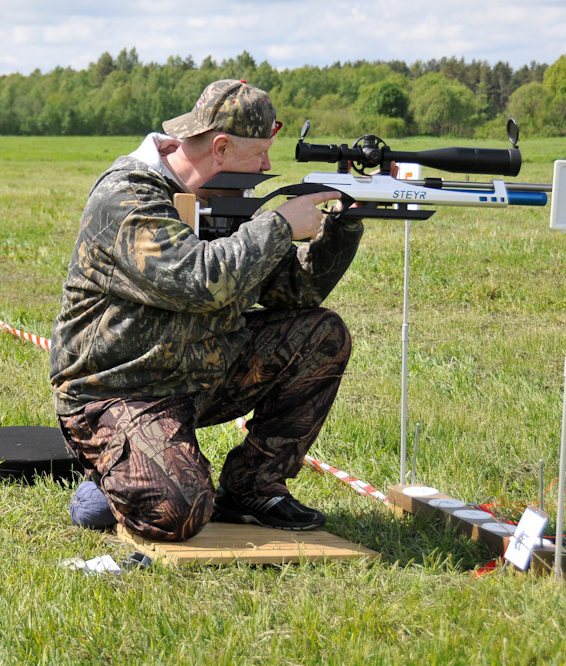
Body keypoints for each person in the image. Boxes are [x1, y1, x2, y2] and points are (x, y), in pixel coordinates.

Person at [50, 79, 364, 542]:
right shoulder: (128, 196)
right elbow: (197, 282)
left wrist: (344, 223)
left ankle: (254, 488)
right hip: (116, 392)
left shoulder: (222, 197)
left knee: (321, 334)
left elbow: (295, 292)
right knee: (178, 510)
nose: (267, 166)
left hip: (195, 375)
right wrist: (279, 225)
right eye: (260, 154)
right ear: (220, 148)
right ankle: (111, 477)